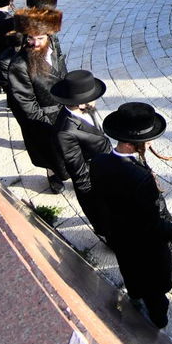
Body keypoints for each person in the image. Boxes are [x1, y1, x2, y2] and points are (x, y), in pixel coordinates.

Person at [89, 102, 172, 329]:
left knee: (131, 273)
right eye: (147, 140)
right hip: (145, 246)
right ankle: (158, 319)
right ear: (131, 144)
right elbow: (153, 226)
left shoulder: (99, 162)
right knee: (154, 288)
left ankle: (135, 294)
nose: (150, 143)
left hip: (120, 237)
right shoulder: (141, 179)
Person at [3, 8, 70, 193]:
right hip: (43, 119)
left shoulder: (54, 44)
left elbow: (61, 70)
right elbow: (27, 104)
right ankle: (52, 172)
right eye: (31, 38)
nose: (35, 43)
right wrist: (49, 126)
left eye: (40, 38)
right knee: (50, 152)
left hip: (65, 108)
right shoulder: (19, 65)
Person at [49, 70, 113, 240]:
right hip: (95, 180)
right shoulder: (65, 132)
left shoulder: (86, 110)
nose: (96, 99)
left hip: (104, 167)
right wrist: (98, 201)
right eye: (93, 97)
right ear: (81, 104)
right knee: (106, 221)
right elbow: (80, 176)